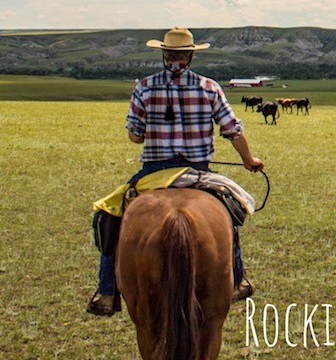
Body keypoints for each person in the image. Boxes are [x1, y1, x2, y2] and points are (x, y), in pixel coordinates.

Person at [87, 27, 265, 317]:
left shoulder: (145, 86)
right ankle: (237, 279)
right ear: (190, 56)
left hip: (153, 173)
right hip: (198, 172)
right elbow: (232, 130)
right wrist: (249, 159)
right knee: (228, 213)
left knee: (110, 216)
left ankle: (106, 292)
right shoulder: (209, 87)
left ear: (164, 55)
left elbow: (135, 135)